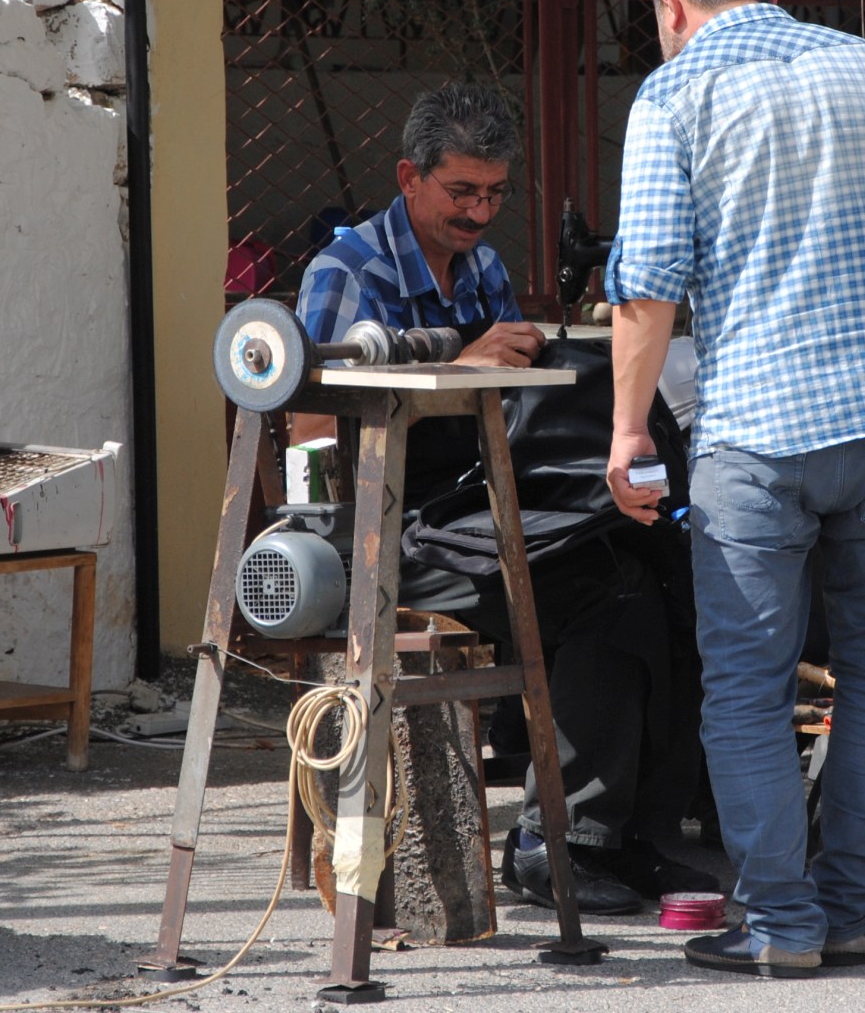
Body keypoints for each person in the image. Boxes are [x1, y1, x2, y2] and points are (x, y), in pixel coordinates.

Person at [602, 0, 865, 977]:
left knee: (750, 686)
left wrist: (631, 430)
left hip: (760, 432)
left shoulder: (673, 95)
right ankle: (854, 909)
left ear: (671, 3)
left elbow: (649, 282)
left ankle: (783, 923)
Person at [294, 82, 716, 917]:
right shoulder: (348, 273)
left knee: (664, 565)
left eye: (493, 195)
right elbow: (314, 432)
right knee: (605, 599)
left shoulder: (482, 268)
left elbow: (514, 407)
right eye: (462, 193)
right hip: (388, 524)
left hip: (474, 503)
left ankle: (632, 831)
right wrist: (467, 362)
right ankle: (559, 842)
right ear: (411, 177)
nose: (479, 214)